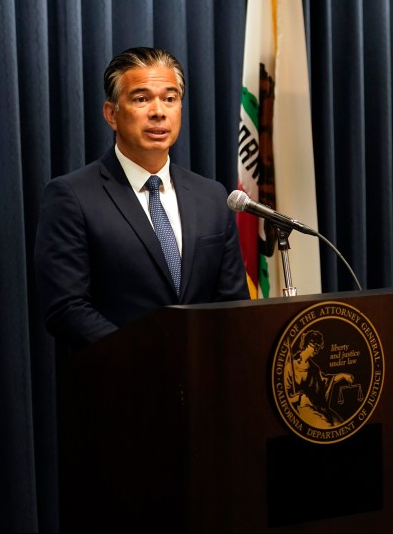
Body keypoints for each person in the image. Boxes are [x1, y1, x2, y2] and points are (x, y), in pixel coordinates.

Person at [34, 46, 249, 349]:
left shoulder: (212, 196)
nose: (158, 111)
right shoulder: (72, 196)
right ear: (112, 114)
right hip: (118, 384)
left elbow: (232, 301)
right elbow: (66, 308)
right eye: (141, 98)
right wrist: (148, 359)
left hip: (204, 383)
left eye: (170, 98)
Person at [284, 330, 355, 428]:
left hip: (318, 407)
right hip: (302, 408)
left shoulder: (314, 368)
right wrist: (299, 398)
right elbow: (284, 397)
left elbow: (326, 380)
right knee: (327, 426)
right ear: (307, 344)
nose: (317, 350)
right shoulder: (290, 366)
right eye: (315, 347)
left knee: (340, 424)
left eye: (319, 347)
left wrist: (342, 375)